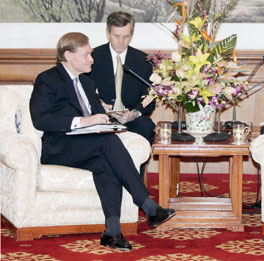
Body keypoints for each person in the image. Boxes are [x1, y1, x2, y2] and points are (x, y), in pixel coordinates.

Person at [29, 32, 175, 252]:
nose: (92, 59)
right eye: (87, 54)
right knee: (107, 143)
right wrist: (84, 121)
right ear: (68, 55)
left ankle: (112, 231)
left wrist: (111, 121)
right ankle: (148, 205)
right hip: (59, 148)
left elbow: (100, 117)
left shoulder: (87, 83)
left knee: (106, 164)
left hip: (89, 147)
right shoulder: (48, 79)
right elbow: (40, 119)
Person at [88, 11, 155, 144]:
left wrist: (135, 113)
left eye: (126, 36)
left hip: (131, 119)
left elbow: (149, 98)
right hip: (101, 118)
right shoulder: (92, 58)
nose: (120, 41)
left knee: (146, 126)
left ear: (131, 34)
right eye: (116, 36)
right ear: (107, 33)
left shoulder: (143, 61)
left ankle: (135, 165)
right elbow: (84, 91)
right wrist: (100, 105)